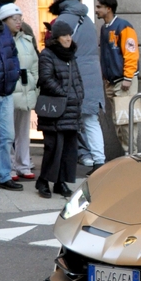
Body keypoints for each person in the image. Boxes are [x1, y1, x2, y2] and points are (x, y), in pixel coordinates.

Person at [49, 0, 105, 175]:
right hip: (93, 76)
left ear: (58, 0)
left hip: (73, 77)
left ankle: (74, 161)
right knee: (91, 120)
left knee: (69, 122)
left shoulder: (62, 21)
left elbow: (56, 51)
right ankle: (99, 160)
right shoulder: (87, 19)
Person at [35, 21, 84, 199]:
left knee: (68, 149)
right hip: (55, 109)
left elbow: (77, 78)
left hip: (71, 108)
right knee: (53, 147)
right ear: (56, 38)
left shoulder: (71, 56)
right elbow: (46, 79)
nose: (68, 38)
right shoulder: (47, 54)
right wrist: (65, 94)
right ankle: (43, 180)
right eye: (64, 35)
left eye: (70, 35)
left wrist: (79, 95)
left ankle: (60, 182)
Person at [95, 0, 141, 154]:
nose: (96, 10)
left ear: (108, 8)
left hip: (123, 80)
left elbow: (131, 53)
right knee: (118, 121)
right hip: (111, 80)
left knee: (126, 121)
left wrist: (128, 77)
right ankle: (128, 154)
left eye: (99, 6)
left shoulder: (123, 26)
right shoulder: (104, 28)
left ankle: (132, 155)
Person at [0, 4, 39, 181]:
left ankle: (24, 164)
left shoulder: (27, 40)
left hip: (25, 89)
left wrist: (34, 83)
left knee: (23, 131)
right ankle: (10, 166)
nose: (18, 22)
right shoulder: (1, 39)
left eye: (20, 18)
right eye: (14, 19)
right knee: (7, 132)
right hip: (8, 90)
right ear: (4, 20)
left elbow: (35, 65)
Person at [0, 0, 23, 191]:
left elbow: (13, 54)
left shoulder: (4, 31)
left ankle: (3, 175)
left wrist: (14, 75)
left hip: (5, 92)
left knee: (7, 136)